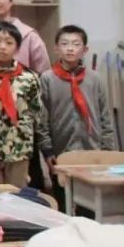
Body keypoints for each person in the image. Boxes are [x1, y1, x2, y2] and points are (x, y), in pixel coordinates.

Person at [40, 25, 117, 203]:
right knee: (63, 198)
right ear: (56, 48)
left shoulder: (95, 79)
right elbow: (42, 119)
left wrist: (107, 150)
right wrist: (47, 150)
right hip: (61, 151)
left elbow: (105, 117)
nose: (70, 48)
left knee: (90, 201)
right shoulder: (47, 78)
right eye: (65, 44)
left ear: (85, 49)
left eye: (76, 44)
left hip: (92, 150)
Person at [0, 21, 51, 187]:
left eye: (9, 43)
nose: (3, 47)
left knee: (17, 194)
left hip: (19, 146)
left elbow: (37, 112)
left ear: (17, 48)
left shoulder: (29, 77)